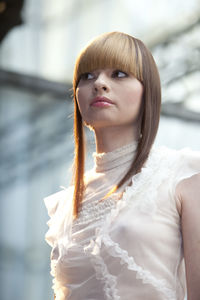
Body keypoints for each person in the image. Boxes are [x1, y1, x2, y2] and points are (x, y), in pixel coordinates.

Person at [44, 31, 200, 300]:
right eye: (87, 76)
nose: (99, 84)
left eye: (118, 74)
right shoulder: (65, 202)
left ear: (147, 90)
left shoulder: (182, 175)